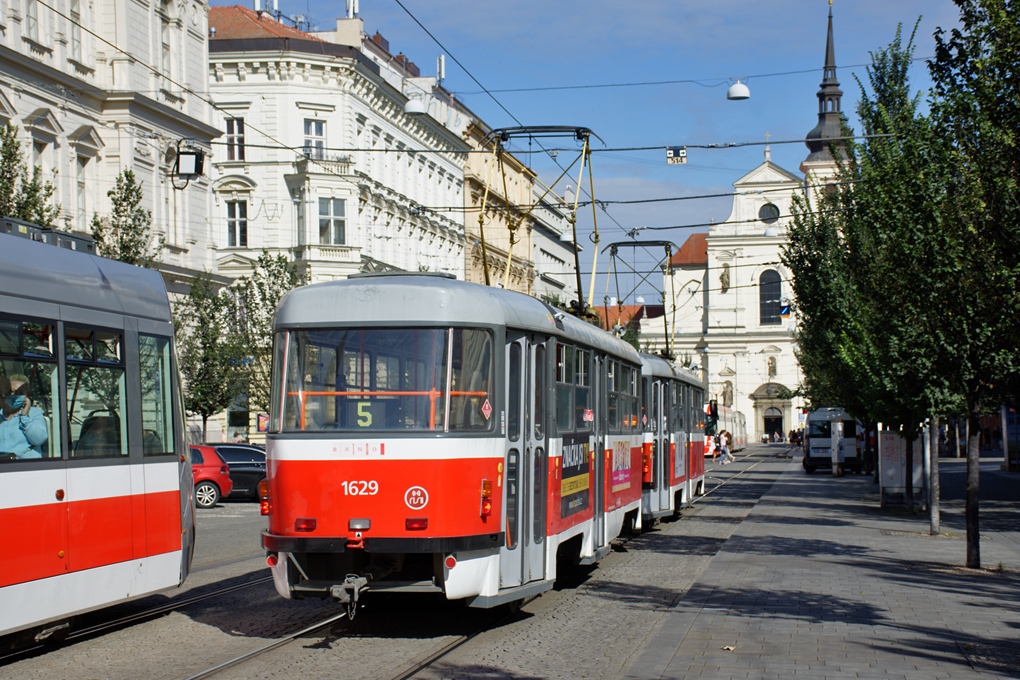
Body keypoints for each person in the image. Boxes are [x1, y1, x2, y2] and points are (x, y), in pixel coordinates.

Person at [0, 374, 48, 459]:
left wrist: (24, 416)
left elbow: (39, 440)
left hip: (25, 465)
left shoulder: (34, 413)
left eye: (20, 393)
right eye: (12, 391)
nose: (15, 396)